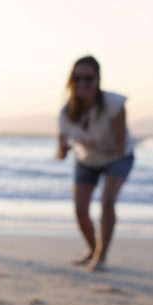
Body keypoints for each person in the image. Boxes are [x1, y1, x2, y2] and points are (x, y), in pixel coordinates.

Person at [56, 55, 134, 272]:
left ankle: (101, 256)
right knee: (80, 210)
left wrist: (91, 144)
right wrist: (64, 149)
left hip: (118, 158)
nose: (82, 83)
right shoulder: (65, 112)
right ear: (71, 80)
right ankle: (92, 250)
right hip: (86, 160)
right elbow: (60, 151)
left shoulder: (114, 104)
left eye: (88, 78)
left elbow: (118, 147)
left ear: (98, 79)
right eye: (77, 77)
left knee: (107, 201)